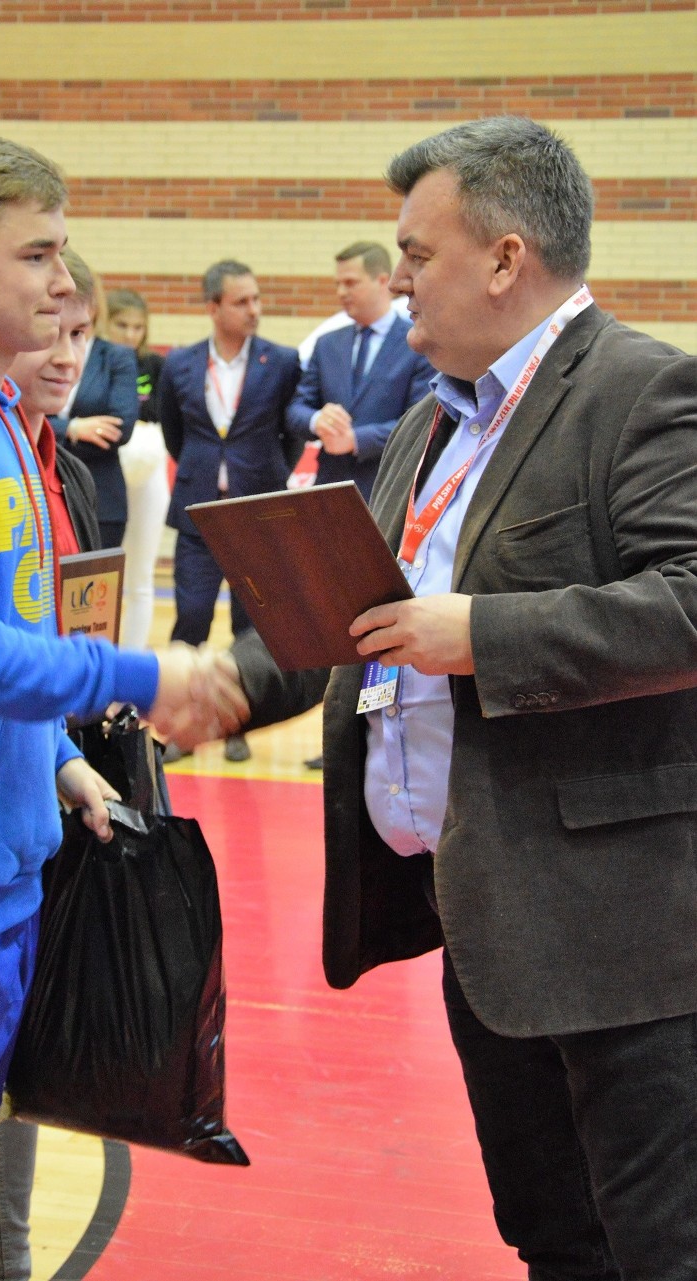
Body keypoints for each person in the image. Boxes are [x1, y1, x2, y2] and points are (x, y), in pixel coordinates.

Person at [230, 116, 697, 1278]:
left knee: (659, 1242)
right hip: (486, 915)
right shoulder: (437, 417)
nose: (398, 280)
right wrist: (200, 689)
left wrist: (482, 634)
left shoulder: (644, 390)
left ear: (503, 258)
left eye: (416, 253)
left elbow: (689, 603)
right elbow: (357, 612)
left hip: (625, 930)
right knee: (551, 1233)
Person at [0, 132, 245, 1281]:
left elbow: (0, 658)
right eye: (39, 255)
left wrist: (57, 769)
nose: (65, 284)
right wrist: (146, 675)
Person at [0, 246, 112, 1281]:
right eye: (53, 330)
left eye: (86, 334)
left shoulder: (71, 469)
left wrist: (76, 750)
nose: (68, 354)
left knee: (22, 1060)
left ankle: (2, 1256)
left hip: (47, 792)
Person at [158, 258, 301, 763]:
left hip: (256, 517)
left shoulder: (281, 362)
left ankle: (239, 724)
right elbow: (175, 433)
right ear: (213, 307)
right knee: (190, 619)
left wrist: (264, 476)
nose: (254, 310)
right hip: (198, 514)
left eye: (257, 299)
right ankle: (179, 727)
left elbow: (294, 432)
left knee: (251, 623)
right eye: (242, 301)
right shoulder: (179, 363)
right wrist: (204, 470)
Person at [285, 241, 434, 502]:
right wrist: (317, 420)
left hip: (388, 493)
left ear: (382, 281)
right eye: (338, 284)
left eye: (351, 283)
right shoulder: (327, 344)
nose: (341, 292)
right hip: (330, 493)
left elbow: (420, 424)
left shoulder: (416, 343)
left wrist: (355, 439)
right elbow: (296, 409)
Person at [50, 271, 138, 550]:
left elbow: (119, 429)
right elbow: (21, 418)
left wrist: (53, 431)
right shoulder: (36, 350)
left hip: (103, 495)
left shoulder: (116, 357)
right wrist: (73, 429)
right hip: (46, 487)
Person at [106, 288, 170, 649]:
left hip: (148, 469)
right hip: (107, 468)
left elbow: (162, 412)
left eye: (137, 327)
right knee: (103, 571)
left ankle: (131, 661)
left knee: (140, 575)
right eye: (122, 325)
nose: (130, 335)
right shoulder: (98, 360)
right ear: (106, 323)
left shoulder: (155, 366)